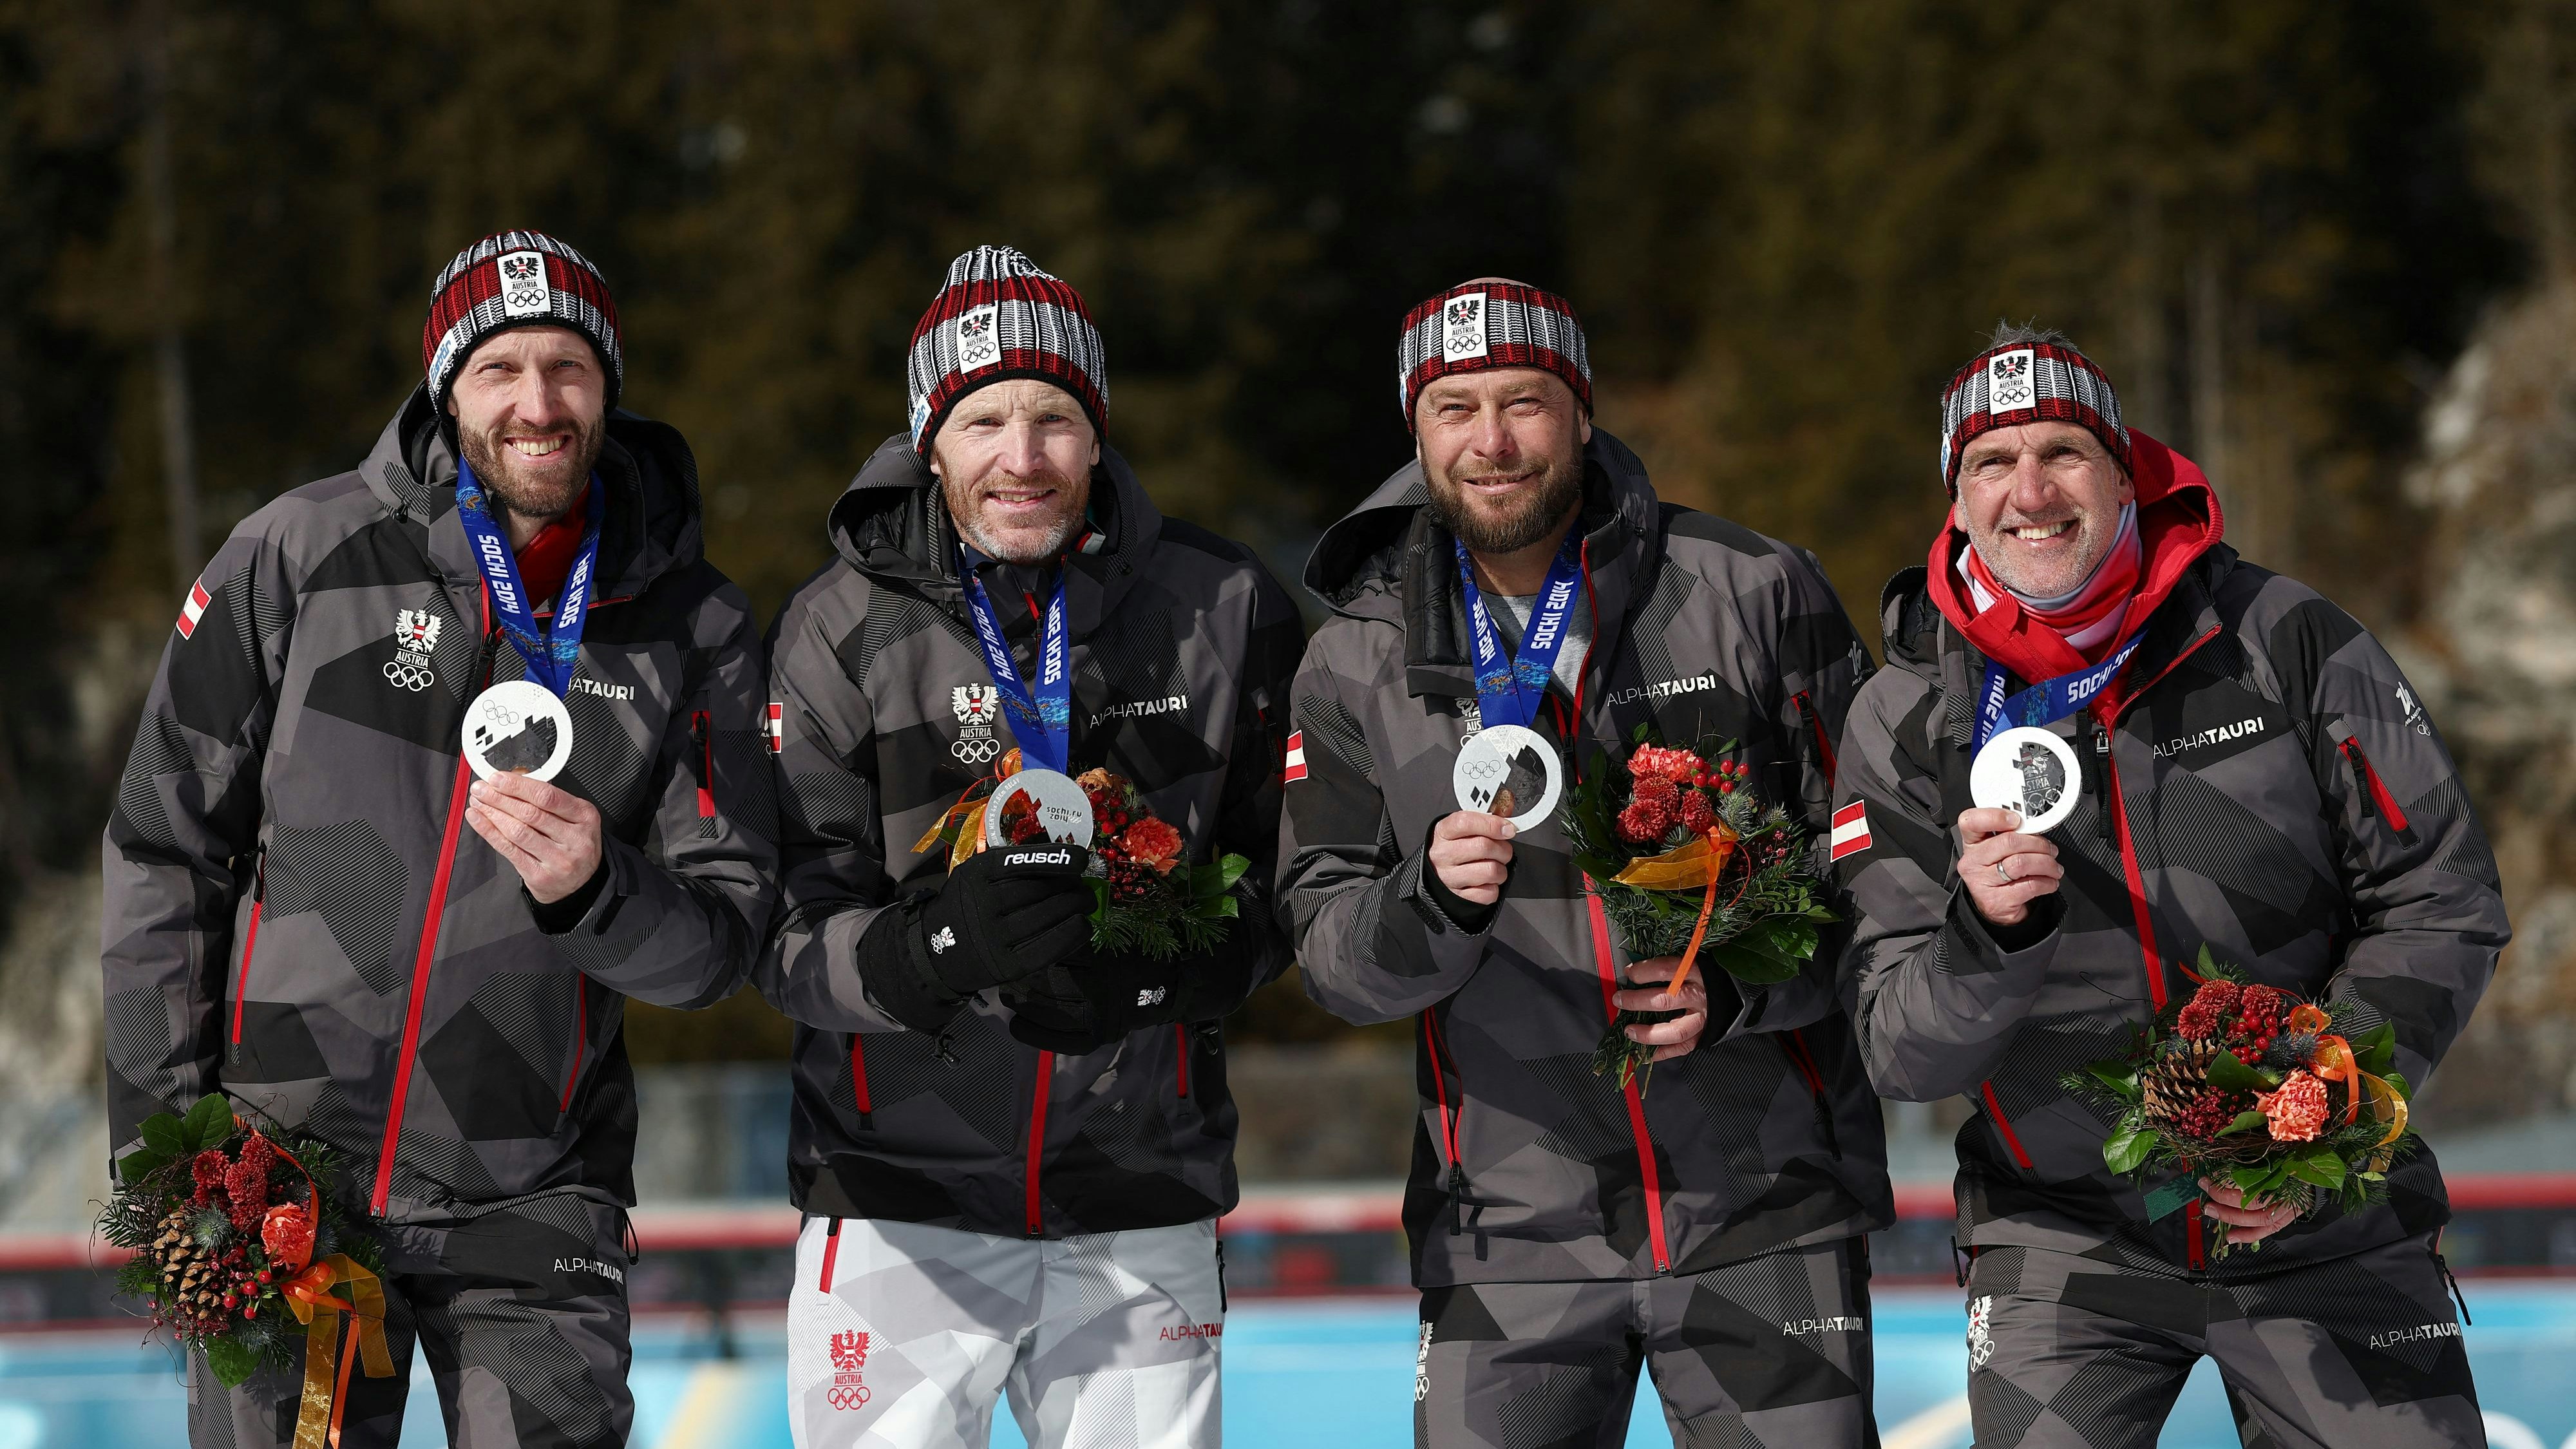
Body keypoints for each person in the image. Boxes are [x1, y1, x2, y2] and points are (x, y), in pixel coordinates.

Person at [102, 231, 777, 1446]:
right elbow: (164, 848)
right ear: (444, 387)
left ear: (607, 387)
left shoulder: (693, 621)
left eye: (567, 366)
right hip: (283, 1185)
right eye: (500, 368)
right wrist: (167, 1153)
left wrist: (596, 893)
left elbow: (727, 938)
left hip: (534, 1197)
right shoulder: (300, 555)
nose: (537, 403)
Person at [1833, 325, 2507, 1446]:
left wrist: (2319, 1103)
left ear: (2125, 471)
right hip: (2066, 1241)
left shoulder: (2281, 640)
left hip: (2329, 1207)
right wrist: (1986, 937)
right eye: (1991, 464)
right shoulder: (1905, 722)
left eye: (2062, 452)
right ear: (1956, 503)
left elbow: (2442, 896)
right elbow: (1903, 1052)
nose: (2030, 490)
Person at [1278, 279, 1891, 1448]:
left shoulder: (1750, 592)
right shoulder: (1356, 661)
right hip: (1506, 1237)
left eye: (1525, 400)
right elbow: (1325, 948)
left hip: (1760, 1219)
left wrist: (1747, 984)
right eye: (1455, 407)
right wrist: (1427, 906)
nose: (1493, 440)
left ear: (1582, 409)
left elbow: (1874, 869)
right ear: (1416, 431)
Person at [758, 244, 1303, 1449]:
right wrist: (929, 952)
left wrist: (1163, 974)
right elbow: (783, 929)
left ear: (1097, 436)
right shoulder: (836, 627)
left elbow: (1290, 890)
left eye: (1055, 417)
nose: (1024, 456)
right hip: (900, 1207)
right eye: (986, 418)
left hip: (1140, 1199)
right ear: (929, 441)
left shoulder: (1223, 607)